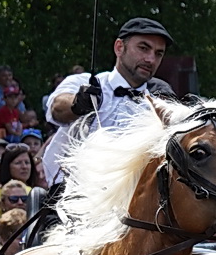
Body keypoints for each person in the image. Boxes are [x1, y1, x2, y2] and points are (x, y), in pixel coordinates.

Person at [43, 17, 173, 182]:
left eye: (158, 53)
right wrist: (78, 103)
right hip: (68, 194)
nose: (150, 59)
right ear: (119, 47)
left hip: (127, 198)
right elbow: (57, 109)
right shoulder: (84, 82)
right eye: (143, 48)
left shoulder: (157, 107)